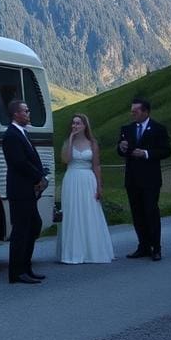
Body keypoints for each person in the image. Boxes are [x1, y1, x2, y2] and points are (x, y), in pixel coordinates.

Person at [117, 97, 171, 260]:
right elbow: (120, 150)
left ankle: (156, 247)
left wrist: (146, 153)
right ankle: (143, 245)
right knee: (137, 213)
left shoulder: (158, 128)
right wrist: (121, 147)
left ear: (145, 112)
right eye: (132, 111)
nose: (132, 114)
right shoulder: (127, 128)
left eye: (136, 111)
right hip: (132, 178)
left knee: (151, 211)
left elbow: (166, 151)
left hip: (150, 178)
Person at [2, 99, 49, 284]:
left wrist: (40, 175)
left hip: (28, 190)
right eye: (26, 111)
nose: (29, 113)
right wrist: (39, 177)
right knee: (21, 231)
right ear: (16, 114)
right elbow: (19, 163)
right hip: (19, 190)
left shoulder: (23, 133)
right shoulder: (11, 135)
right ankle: (16, 272)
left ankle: (26, 267)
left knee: (33, 226)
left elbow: (30, 159)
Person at [57, 113, 114, 264]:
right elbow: (66, 160)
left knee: (89, 212)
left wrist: (99, 185)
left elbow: (96, 165)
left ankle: (92, 250)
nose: (75, 126)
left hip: (88, 179)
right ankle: (72, 251)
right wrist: (70, 140)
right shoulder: (67, 142)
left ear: (85, 126)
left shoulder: (92, 143)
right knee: (72, 213)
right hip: (72, 178)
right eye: (73, 123)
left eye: (78, 123)